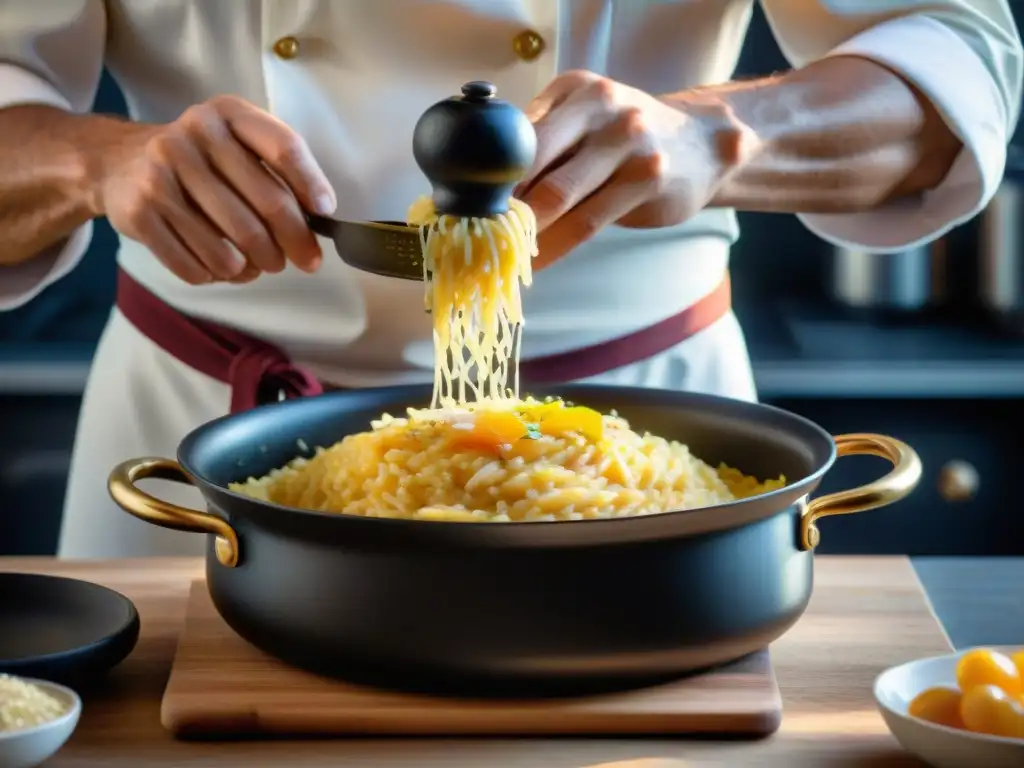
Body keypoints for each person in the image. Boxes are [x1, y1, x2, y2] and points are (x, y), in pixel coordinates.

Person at [0, 1, 1020, 559]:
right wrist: (97, 158)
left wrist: (723, 133)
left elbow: (957, 55)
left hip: (648, 461)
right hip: (201, 453)